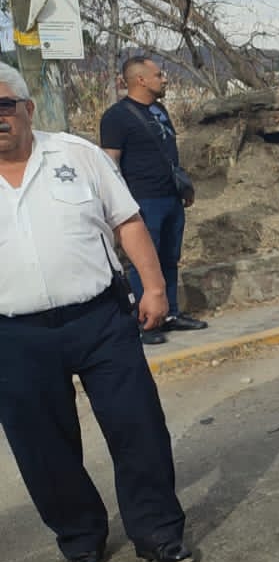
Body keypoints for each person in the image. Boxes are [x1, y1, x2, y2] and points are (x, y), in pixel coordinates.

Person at [0, 64, 195, 562]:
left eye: (4, 106)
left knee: (138, 427)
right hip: (13, 335)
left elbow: (127, 221)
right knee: (41, 445)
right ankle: (79, 538)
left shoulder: (77, 155)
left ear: (26, 109)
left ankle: (158, 533)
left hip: (100, 317)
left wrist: (153, 287)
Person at [98, 56, 208, 346]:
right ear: (141, 80)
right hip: (142, 201)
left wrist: (183, 187)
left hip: (170, 197)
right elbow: (110, 165)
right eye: (159, 75)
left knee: (170, 258)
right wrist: (121, 205)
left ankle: (170, 313)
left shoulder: (159, 109)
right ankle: (144, 321)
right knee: (145, 262)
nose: (165, 79)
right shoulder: (116, 117)